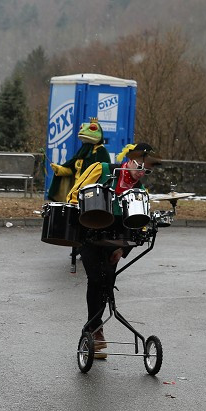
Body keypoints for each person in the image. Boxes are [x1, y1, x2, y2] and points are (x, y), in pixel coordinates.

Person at [71, 142, 158, 359]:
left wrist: (122, 249)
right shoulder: (102, 169)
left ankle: (92, 331)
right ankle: (95, 329)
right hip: (89, 234)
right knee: (97, 278)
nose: (141, 173)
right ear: (129, 159)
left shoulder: (139, 191)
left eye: (146, 170)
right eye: (139, 165)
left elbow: (136, 225)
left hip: (114, 241)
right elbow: (75, 193)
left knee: (107, 280)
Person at [49, 118, 112, 273]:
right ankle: (78, 244)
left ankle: (87, 247)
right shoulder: (83, 151)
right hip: (77, 190)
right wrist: (60, 169)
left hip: (91, 193)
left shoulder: (101, 151)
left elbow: (104, 172)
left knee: (88, 219)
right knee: (75, 219)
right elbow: (71, 168)